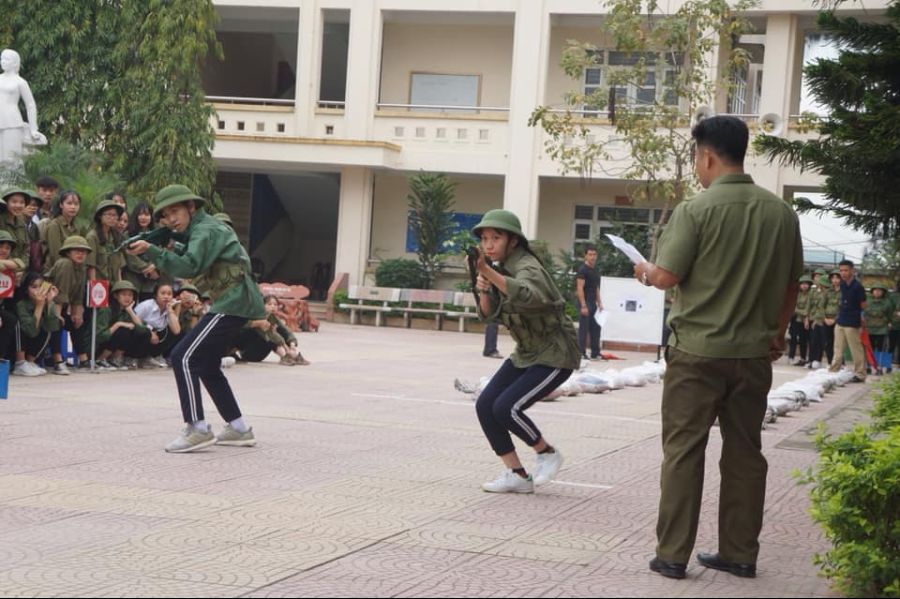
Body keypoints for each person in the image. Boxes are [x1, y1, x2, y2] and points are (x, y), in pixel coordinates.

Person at [633, 116, 802, 580]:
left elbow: (666, 276)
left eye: (696, 158)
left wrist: (645, 272)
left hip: (697, 354)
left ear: (706, 156)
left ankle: (672, 555)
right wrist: (777, 334)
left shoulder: (696, 209)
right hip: (753, 355)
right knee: (746, 453)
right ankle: (740, 553)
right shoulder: (781, 214)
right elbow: (792, 285)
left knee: (684, 451)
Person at [127, 184, 266, 453]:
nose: (171, 219)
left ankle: (197, 428)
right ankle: (238, 428)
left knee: (183, 356)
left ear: (191, 207)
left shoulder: (204, 230)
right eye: (166, 215)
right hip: (234, 301)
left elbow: (190, 266)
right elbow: (191, 256)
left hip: (232, 301)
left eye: (175, 211)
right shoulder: (203, 228)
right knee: (207, 363)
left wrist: (153, 251)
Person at [471, 209, 580, 494]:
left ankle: (547, 453)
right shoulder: (500, 268)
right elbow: (488, 315)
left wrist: (488, 272)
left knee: (506, 407)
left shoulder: (528, 267)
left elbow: (529, 295)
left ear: (513, 241)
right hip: (527, 353)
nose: (488, 245)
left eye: (496, 238)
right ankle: (517, 474)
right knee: (485, 405)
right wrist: (484, 287)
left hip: (555, 353)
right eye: (484, 239)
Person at [44, 235, 92, 374]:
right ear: (68, 252)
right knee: (57, 322)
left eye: (83, 251)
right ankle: (58, 361)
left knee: (77, 322)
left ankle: (83, 360)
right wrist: (58, 315)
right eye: (76, 250)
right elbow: (59, 292)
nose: (81, 254)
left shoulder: (81, 267)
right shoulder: (65, 264)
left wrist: (77, 314)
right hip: (46, 302)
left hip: (59, 304)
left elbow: (77, 295)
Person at [0, 49, 46, 166]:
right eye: (2, 59)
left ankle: (12, 179)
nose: (3, 61)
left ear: (15, 62)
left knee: (11, 159)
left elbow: (30, 104)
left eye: (6, 59)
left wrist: (33, 128)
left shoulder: (20, 82)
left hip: (12, 123)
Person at [829, 260, 868, 382]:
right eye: (841, 270)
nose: (843, 273)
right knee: (837, 349)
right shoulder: (842, 284)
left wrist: (861, 318)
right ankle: (833, 370)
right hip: (841, 320)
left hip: (852, 322)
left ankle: (860, 374)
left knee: (855, 349)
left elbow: (863, 305)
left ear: (852, 270)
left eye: (845, 270)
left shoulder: (858, 287)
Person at [14, 272, 59, 376]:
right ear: (26, 289)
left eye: (41, 286)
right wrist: (39, 306)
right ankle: (20, 363)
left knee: (48, 327)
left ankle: (30, 362)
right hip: (21, 343)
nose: (38, 290)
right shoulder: (21, 304)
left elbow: (53, 327)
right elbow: (30, 331)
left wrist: (49, 303)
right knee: (17, 324)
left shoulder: (47, 302)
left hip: (35, 346)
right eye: (34, 287)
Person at [134, 283, 182, 369]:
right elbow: (133, 319)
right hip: (139, 336)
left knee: (173, 331)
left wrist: (170, 309)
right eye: (163, 293)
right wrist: (149, 331)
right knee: (144, 333)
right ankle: (133, 357)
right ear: (156, 295)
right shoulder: (147, 305)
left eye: (169, 294)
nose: (166, 296)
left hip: (155, 338)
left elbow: (176, 331)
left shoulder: (168, 308)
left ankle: (151, 357)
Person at [124, 202, 163, 302]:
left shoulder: (157, 234)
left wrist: (154, 266)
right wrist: (147, 268)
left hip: (151, 281)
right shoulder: (128, 234)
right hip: (132, 278)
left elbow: (161, 253)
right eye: (140, 214)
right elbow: (129, 256)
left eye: (147, 214)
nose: (143, 217)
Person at [42, 190, 83, 271]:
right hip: (55, 270)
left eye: (76, 204)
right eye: (69, 203)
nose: (73, 207)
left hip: (73, 268)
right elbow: (55, 255)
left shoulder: (76, 227)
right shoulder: (54, 225)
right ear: (61, 205)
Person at [86, 200, 126, 283]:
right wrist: (94, 286)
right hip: (99, 284)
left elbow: (119, 266)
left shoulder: (116, 236)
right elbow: (91, 266)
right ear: (100, 216)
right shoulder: (92, 237)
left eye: (115, 215)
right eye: (109, 214)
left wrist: (120, 285)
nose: (112, 218)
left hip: (114, 284)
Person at [575, 245, 603, 360]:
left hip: (593, 302)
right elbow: (579, 288)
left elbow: (596, 288)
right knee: (584, 329)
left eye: (594, 254)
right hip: (584, 302)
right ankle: (581, 353)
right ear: (585, 256)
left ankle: (595, 353)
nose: (592, 257)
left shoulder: (595, 270)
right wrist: (583, 305)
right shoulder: (583, 270)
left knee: (596, 328)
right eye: (590, 254)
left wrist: (599, 303)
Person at [865, 284, 893, 376]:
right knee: (870, 348)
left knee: (882, 349)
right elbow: (864, 314)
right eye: (875, 290)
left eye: (879, 290)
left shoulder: (887, 303)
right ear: (872, 292)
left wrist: (889, 322)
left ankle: (880, 368)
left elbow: (890, 315)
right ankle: (868, 366)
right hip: (869, 328)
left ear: (883, 292)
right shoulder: (867, 302)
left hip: (882, 329)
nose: (877, 292)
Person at [789, 275, 812, 366]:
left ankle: (803, 358)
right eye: (802, 284)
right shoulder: (797, 294)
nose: (804, 286)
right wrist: (801, 311)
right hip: (795, 319)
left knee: (803, 339)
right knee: (793, 338)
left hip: (805, 320)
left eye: (806, 284)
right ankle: (791, 357)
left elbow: (808, 309)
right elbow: (793, 306)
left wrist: (799, 311)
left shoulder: (810, 294)